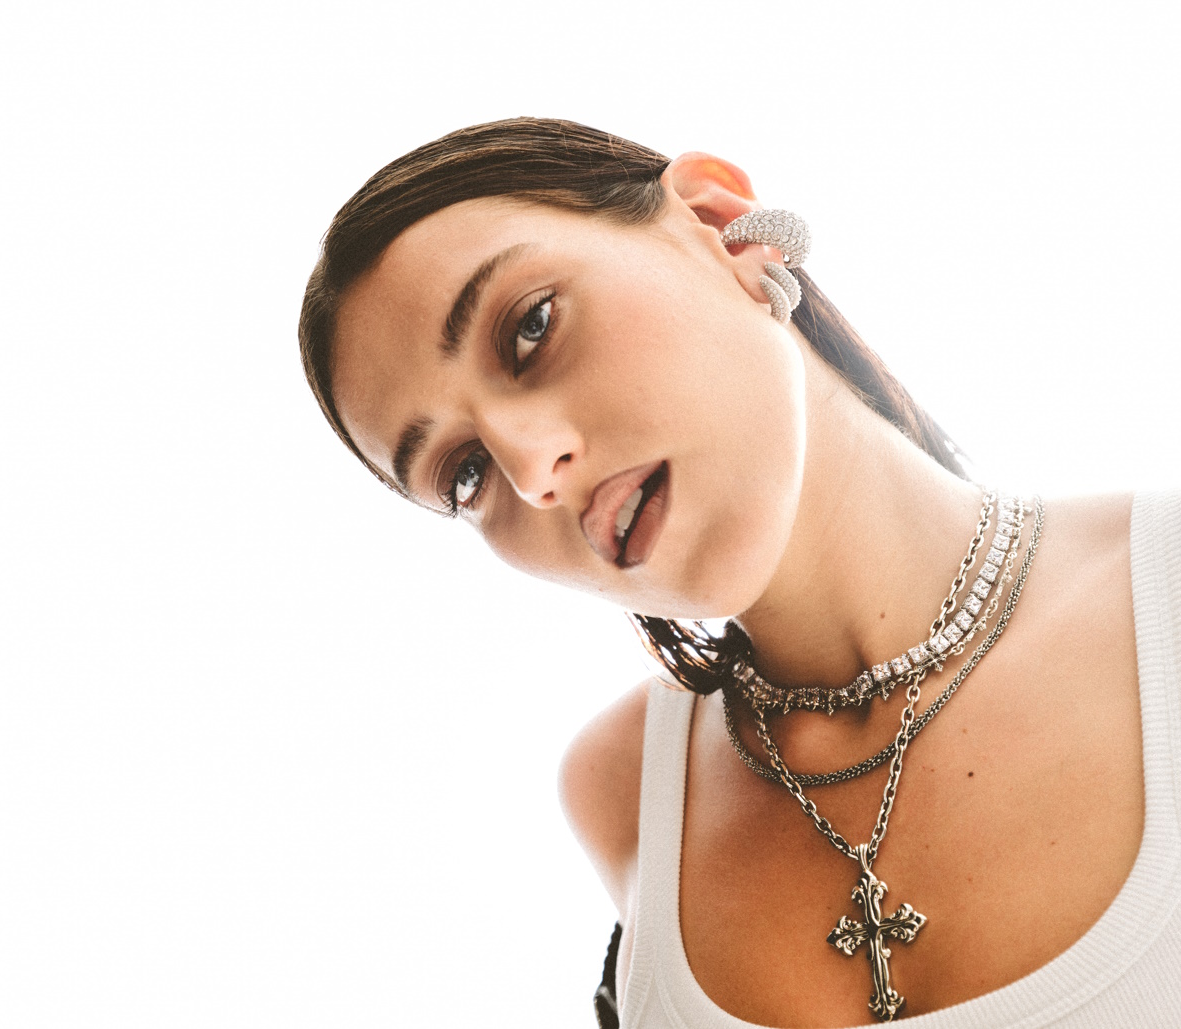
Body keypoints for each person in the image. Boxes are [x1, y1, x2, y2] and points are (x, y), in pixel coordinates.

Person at [298, 117, 1180, 1027]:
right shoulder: (625, 794)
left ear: (718, 226)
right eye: (466, 473)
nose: (532, 469)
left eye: (531, 327)